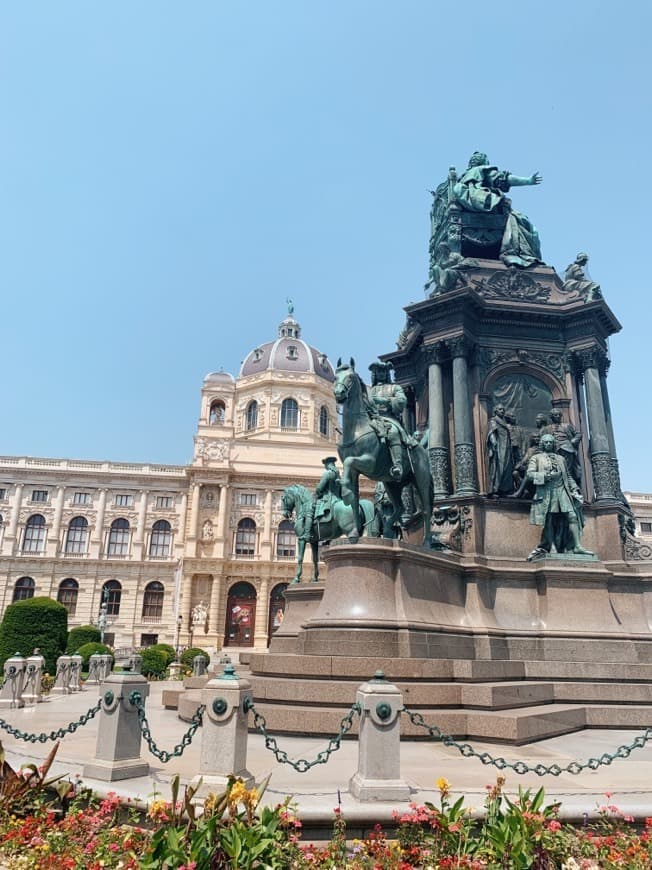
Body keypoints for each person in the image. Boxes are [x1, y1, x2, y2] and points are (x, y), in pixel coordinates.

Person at [452, 152, 543, 268]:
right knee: (527, 226)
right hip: (492, 213)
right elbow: (504, 180)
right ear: (484, 162)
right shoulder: (483, 170)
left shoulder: (462, 179)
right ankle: (519, 255)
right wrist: (528, 181)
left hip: (467, 212)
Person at [525, 433, 593, 560]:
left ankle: (577, 546)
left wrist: (574, 488)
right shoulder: (537, 458)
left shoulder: (560, 458)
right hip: (547, 491)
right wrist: (546, 476)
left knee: (572, 515)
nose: (549, 444)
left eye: (551, 442)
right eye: (546, 442)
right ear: (542, 444)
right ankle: (552, 547)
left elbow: (567, 476)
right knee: (549, 519)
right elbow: (529, 474)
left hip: (562, 490)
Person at [368, 361, 416, 480]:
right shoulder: (371, 390)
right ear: (375, 374)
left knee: (393, 432)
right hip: (373, 419)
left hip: (389, 418)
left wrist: (385, 401)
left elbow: (402, 401)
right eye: (379, 371)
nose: (382, 374)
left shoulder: (395, 387)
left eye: (384, 371)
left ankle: (397, 465)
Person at [301, 456, 342, 541]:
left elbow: (320, 487)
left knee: (310, 510)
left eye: (325, 464)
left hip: (328, 499)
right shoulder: (338, 476)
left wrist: (316, 493)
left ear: (328, 464)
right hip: (338, 499)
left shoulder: (327, 473)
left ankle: (307, 534)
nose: (325, 466)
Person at [545, 408, 583, 486]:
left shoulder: (567, 426)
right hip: (553, 449)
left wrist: (574, 440)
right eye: (556, 415)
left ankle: (567, 484)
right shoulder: (547, 428)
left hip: (567, 448)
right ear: (552, 417)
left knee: (566, 469)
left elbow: (578, 434)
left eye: (559, 415)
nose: (558, 416)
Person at [486, 404, 514, 496]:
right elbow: (491, 432)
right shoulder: (494, 420)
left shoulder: (505, 422)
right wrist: (494, 443)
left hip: (506, 447)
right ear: (496, 411)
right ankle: (495, 489)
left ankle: (505, 489)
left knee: (507, 467)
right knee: (498, 468)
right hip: (499, 447)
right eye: (500, 409)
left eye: (503, 409)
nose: (502, 411)